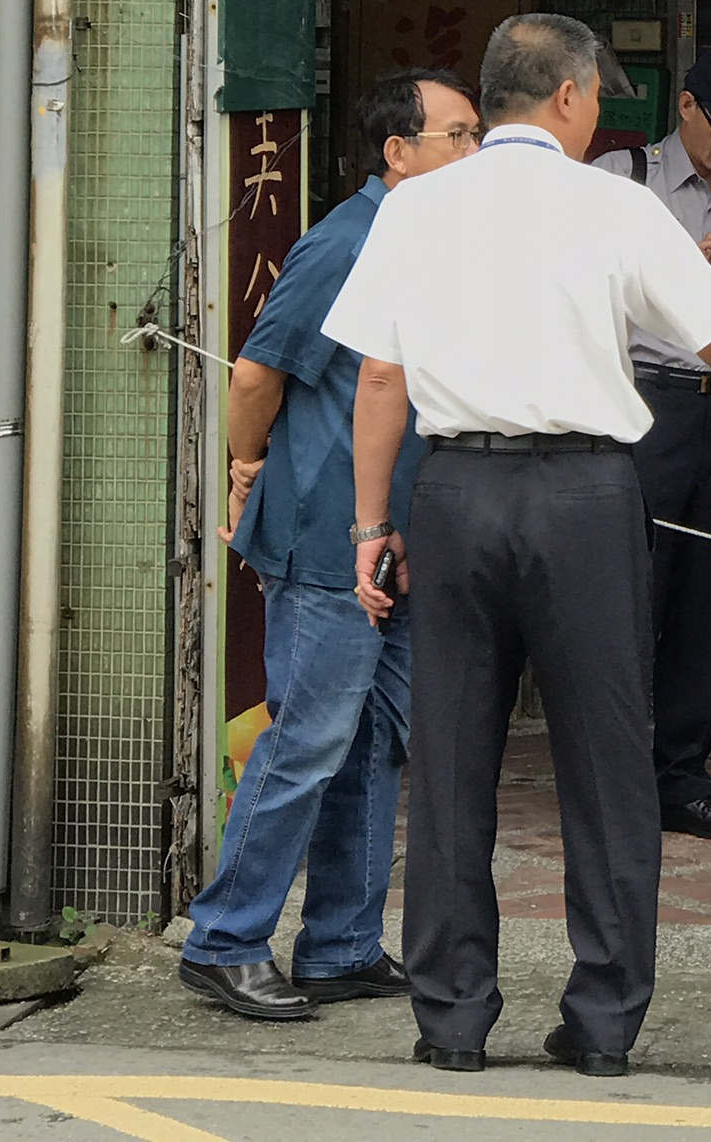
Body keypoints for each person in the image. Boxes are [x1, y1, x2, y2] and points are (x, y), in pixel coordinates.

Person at [323, 14, 711, 1079]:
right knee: (608, 764)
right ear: (570, 96)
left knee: (450, 763)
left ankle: (451, 1019)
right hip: (583, 497)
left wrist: (371, 526)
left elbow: (379, 381)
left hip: (460, 491)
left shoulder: (415, 205)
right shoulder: (616, 203)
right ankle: (603, 1022)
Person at [178, 69, 481, 1021]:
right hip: (323, 541)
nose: (475, 154)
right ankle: (223, 941)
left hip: (398, 538)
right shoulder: (343, 242)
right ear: (398, 152)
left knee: (379, 741)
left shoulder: (432, 243)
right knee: (307, 739)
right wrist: (243, 464)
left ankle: (342, 944)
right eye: (458, 135)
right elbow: (258, 371)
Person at [592, 48, 711, 843]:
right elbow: (573, 280)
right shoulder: (620, 177)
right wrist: (673, 263)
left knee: (708, 599)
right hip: (642, 406)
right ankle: (609, 778)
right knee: (626, 599)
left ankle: (682, 777)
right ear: (686, 107)